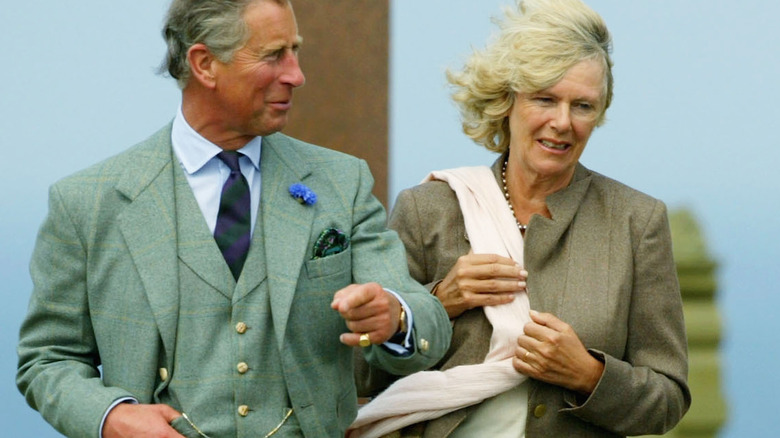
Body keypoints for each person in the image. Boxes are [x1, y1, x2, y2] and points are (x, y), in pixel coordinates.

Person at [16, 0, 452, 437]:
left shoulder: (342, 182)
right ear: (204, 64)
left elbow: (422, 317)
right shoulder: (88, 203)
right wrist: (112, 416)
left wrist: (395, 317)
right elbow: (48, 359)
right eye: (273, 55)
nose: (296, 75)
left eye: (295, 51)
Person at [350, 0, 690, 437]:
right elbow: (359, 371)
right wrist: (438, 303)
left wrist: (588, 374)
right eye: (545, 99)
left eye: (582, 106)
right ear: (506, 101)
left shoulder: (635, 222)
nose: (563, 122)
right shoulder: (428, 209)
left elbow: (668, 400)